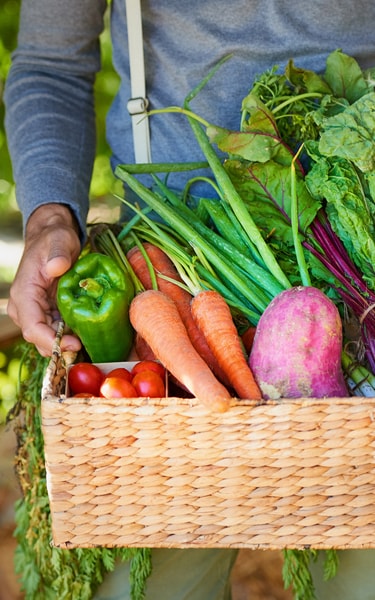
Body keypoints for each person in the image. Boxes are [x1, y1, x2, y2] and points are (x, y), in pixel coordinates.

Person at [4, 1, 375, 599]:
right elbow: (51, 61)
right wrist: (50, 213)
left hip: (363, 272)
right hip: (166, 273)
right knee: (153, 581)